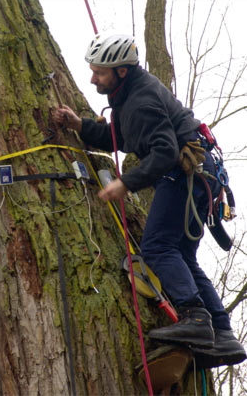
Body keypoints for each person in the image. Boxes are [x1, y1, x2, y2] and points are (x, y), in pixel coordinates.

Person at [55, 34, 246, 368]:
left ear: (122, 71)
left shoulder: (140, 100)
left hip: (184, 172)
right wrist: (81, 125)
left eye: (99, 72)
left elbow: (165, 152)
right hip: (200, 174)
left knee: (157, 247)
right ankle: (222, 333)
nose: (92, 78)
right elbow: (122, 135)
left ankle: (196, 319)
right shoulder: (129, 96)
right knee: (182, 255)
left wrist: (125, 183)